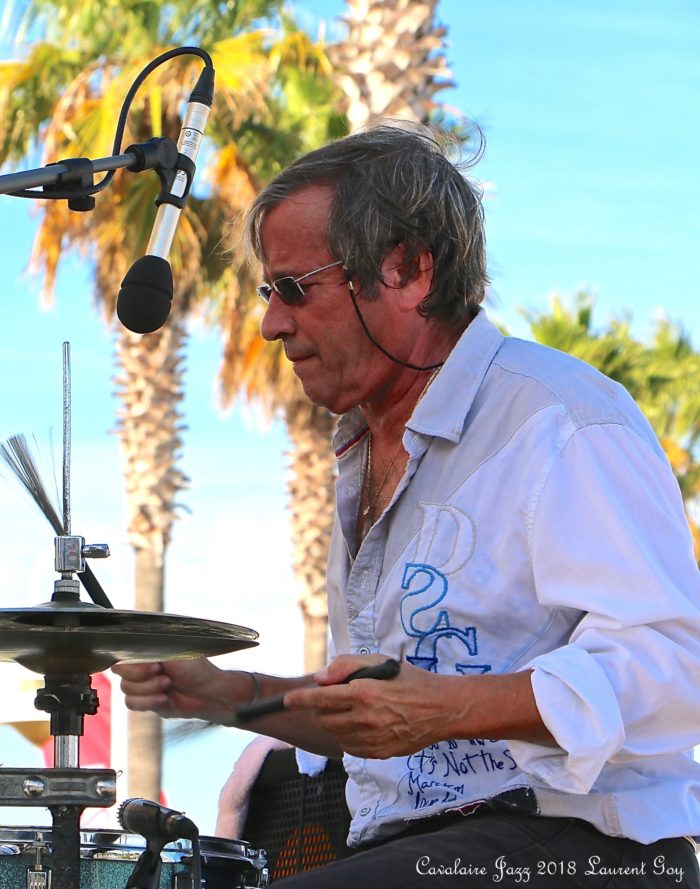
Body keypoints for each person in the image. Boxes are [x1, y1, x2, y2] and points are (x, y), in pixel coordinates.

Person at [114, 123, 700, 887]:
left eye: (295, 288)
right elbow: (385, 717)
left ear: (408, 269)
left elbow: (674, 666)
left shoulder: (558, 419)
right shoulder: (363, 450)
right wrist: (233, 695)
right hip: (427, 851)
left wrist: (449, 707)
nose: (272, 323)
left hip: (590, 848)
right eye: (268, 292)